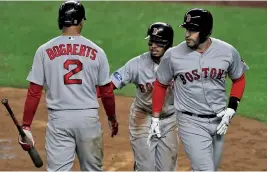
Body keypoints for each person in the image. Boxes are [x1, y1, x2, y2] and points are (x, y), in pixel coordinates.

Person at [18, 1, 118, 171]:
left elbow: (34, 92)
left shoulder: (44, 50)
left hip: (59, 120)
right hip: (88, 119)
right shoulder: (97, 51)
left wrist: (26, 125)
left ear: (60, 21)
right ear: (81, 21)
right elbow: (107, 92)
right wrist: (112, 118)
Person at [149, 8, 249, 171]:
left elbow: (239, 78)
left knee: (210, 168)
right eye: (187, 29)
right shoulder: (173, 55)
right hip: (190, 122)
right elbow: (160, 84)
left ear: (205, 32)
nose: (187, 34)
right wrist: (155, 117)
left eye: (193, 30)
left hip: (219, 122)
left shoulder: (227, 51)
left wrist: (232, 107)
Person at [97, 22, 178, 171]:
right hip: (143, 118)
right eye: (151, 42)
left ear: (168, 44)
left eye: (158, 43)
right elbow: (109, 86)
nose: (153, 46)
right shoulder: (137, 64)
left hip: (169, 120)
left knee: (167, 168)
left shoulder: (179, 64)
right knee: (146, 168)